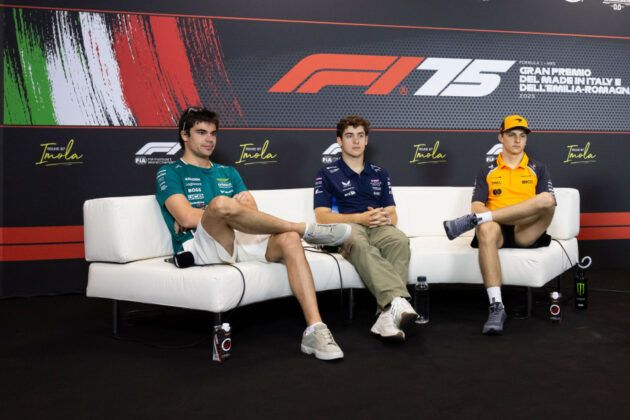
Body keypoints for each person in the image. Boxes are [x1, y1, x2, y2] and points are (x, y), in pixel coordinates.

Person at [155, 107, 352, 361]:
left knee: (289, 239)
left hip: (239, 239)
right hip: (199, 247)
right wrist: (220, 210)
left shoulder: (228, 172)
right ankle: (303, 228)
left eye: (213, 133)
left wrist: (217, 211)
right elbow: (185, 217)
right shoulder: (170, 171)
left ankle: (316, 328)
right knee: (220, 204)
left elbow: (252, 216)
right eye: (201, 132)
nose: (209, 139)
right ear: (185, 135)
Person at [443, 115, 556, 335]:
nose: (517, 140)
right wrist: (490, 217)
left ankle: (480, 220)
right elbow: (477, 206)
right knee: (485, 226)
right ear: (500, 137)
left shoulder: (538, 168)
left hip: (526, 229)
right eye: (511, 135)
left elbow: (546, 204)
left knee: (547, 200)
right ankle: (497, 306)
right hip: (496, 230)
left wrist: (490, 215)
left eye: (522, 136)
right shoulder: (487, 170)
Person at [313, 116, 418, 341]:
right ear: (339, 141)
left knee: (399, 240)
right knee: (360, 244)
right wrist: (359, 218)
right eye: (349, 136)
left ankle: (386, 317)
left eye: (360, 136)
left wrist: (384, 217)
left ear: (366, 140)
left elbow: (393, 213)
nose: (356, 141)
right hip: (347, 225)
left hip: (378, 225)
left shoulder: (380, 173)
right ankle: (397, 301)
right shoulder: (327, 173)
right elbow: (321, 216)